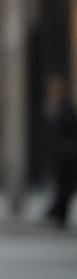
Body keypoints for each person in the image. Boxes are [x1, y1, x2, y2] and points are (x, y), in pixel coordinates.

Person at [41, 74, 77, 228]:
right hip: (56, 155)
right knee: (61, 186)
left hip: (67, 155)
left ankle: (57, 215)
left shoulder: (66, 108)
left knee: (66, 187)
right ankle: (56, 214)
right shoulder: (50, 108)